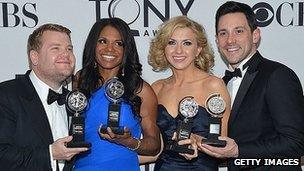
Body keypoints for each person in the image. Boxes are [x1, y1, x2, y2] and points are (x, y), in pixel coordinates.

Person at [198, 1, 304, 171]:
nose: (230, 40)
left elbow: (296, 143)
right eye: (223, 33)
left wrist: (238, 151)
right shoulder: (220, 84)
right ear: (217, 41)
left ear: (255, 35)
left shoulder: (277, 75)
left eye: (238, 31)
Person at [73, 17, 160, 171]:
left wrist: (128, 141)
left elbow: (154, 145)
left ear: (127, 49)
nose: (109, 49)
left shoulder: (141, 89)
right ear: (93, 45)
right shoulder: (80, 81)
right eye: (102, 41)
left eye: (118, 43)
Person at [145, 15, 231, 171]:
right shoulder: (156, 88)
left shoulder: (214, 85)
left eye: (187, 43)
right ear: (163, 48)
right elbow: (154, 147)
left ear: (198, 49)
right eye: (171, 43)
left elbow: (224, 150)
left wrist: (197, 140)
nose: (178, 50)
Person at [0, 24, 88, 171]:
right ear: (35, 57)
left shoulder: (75, 101)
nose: (66, 54)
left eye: (69, 49)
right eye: (56, 48)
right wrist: (50, 154)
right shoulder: (6, 95)